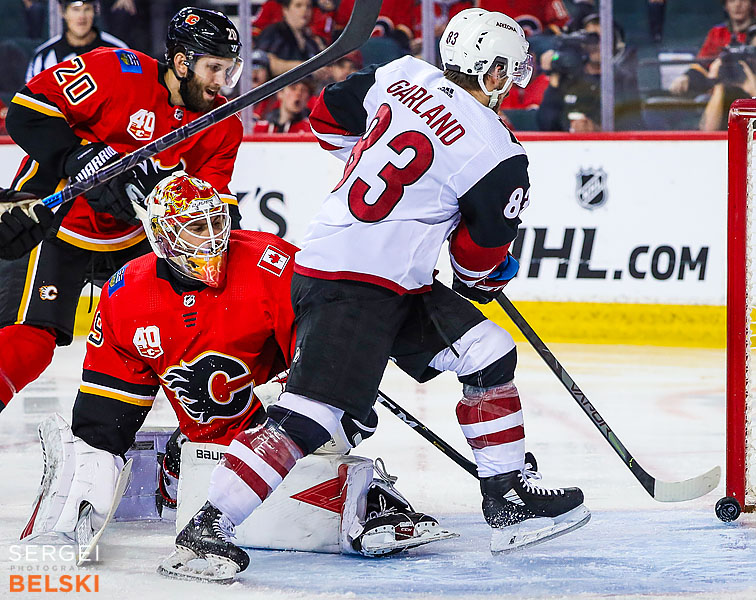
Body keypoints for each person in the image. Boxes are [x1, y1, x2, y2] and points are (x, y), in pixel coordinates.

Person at [163, 7, 589, 583]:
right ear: (489, 71)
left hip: (374, 275)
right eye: (506, 72)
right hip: (354, 287)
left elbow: (323, 117)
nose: (510, 85)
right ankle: (206, 529)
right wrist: (489, 274)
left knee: (486, 352)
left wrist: (369, 160)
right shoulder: (498, 152)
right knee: (308, 418)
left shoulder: (401, 73)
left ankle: (506, 497)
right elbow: (475, 265)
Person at [20, 173, 450, 562]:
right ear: (163, 240)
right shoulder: (127, 294)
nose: (209, 240)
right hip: (212, 439)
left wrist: (300, 396)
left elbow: (330, 345)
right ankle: (180, 468)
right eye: (194, 229)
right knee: (158, 447)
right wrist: (83, 491)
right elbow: (105, 410)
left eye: (214, 224)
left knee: (331, 426)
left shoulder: (270, 263)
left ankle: (363, 496)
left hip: (288, 416)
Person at [0, 7, 244, 414]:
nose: (221, 83)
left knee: (187, 330)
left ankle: (214, 430)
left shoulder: (222, 126)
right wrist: (77, 158)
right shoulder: (117, 69)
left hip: (134, 237)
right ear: (182, 63)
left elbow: (215, 206)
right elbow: (27, 111)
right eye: (213, 68)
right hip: (57, 220)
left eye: (229, 70)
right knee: (31, 340)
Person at [669, 0, 756, 96]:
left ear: (751, 4)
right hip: (719, 91)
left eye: (743, 0)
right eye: (732, 1)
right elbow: (702, 64)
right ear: (725, 6)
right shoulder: (717, 32)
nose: (737, 5)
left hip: (753, 89)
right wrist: (686, 76)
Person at [25, 0, 128, 82]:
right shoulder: (43, 56)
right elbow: (31, 101)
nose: (81, 17)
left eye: (87, 9)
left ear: (95, 11)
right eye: (75, 9)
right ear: (62, 11)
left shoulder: (119, 51)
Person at [256, 0, 327, 78]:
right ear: (285, 9)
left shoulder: (311, 41)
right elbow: (262, 63)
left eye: (308, 6)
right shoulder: (274, 31)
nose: (305, 10)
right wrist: (306, 67)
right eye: (298, 5)